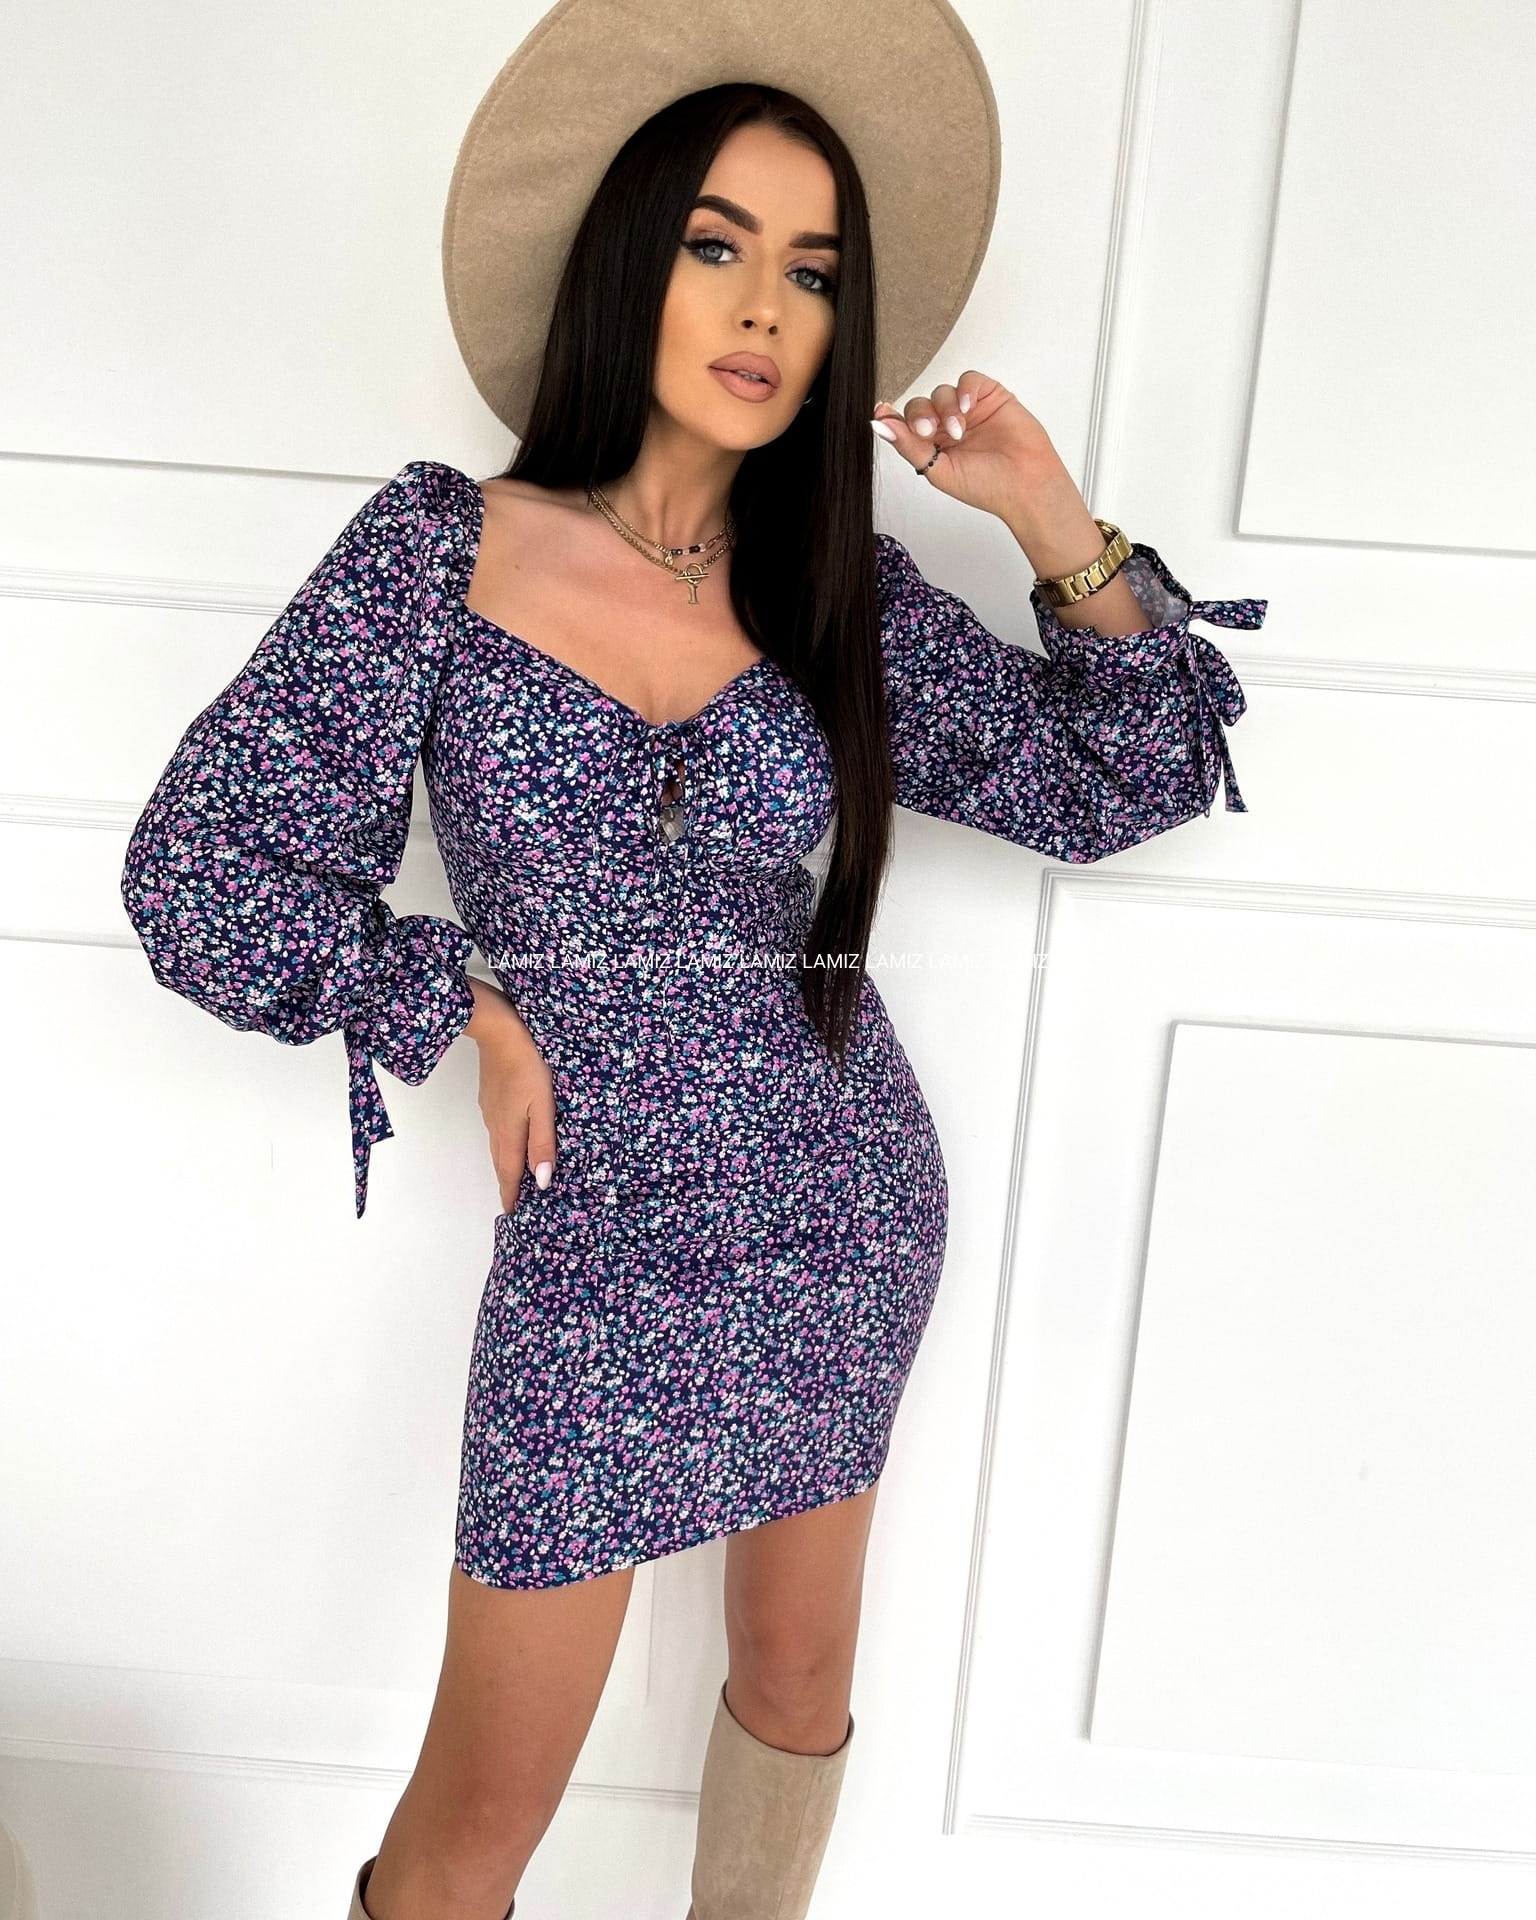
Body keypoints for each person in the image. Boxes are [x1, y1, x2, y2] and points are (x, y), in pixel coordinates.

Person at [118, 6, 1266, 1917]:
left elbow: (1115, 785)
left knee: (796, 1684)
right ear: (625, 267)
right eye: (717, 245)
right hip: (596, 1234)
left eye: (813, 273)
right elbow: (200, 873)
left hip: (838, 1200)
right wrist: (455, 1001)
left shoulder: (836, 586)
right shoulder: (433, 553)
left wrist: (1047, 516)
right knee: (473, 1830)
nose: (762, 307)